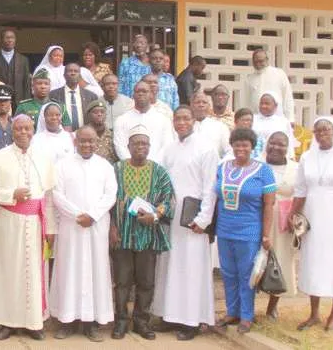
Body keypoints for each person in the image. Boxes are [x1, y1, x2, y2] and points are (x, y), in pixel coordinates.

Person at [0, 115, 56, 341]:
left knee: (34, 272)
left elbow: (49, 196)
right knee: (7, 272)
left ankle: (33, 322)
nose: (23, 132)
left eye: (27, 128)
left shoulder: (43, 157)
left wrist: (51, 228)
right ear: (12, 132)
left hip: (36, 222)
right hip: (8, 221)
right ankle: (7, 322)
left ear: (33, 130)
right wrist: (11, 194)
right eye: (19, 129)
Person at [152, 106, 218, 340]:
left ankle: (191, 321)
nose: (181, 122)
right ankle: (169, 316)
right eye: (177, 118)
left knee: (190, 269)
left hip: (193, 218)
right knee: (169, 266)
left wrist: (204, 219)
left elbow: (211, 187)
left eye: (185, 118)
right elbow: (156, 173)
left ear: (193, 121)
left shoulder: (206, 148)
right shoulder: (169, 148)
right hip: (170, 215)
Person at [290, 117, 333, 333]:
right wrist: (293, 215)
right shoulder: (307, 157)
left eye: (326, 130)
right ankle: (314, 314)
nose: (322, 134)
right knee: (313, 263)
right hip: (313, 217)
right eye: (318, 131)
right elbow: (300, 190)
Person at [50, 126, 117, 342]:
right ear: (75, 141)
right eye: (83, 141)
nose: (87, 145)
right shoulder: (62, 165)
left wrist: (93, 215)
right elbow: (57, 195)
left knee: (95, 271)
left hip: (96, 227)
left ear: (97, 142)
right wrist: (78, 214)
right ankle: (67, 320)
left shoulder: (105, 166)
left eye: (91, 141)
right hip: (71, 226)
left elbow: (111, 194)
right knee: (69, 270)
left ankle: (92, 323)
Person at [111, 125, 174, 340]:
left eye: (144, 143)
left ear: (150, 147)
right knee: (122, 281)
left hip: (148, 235)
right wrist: (112, 227)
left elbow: (168, 199)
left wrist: (155, 215)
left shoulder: (159, 171)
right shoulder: (116, 169)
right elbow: (107, 200)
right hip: (122, 235)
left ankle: (141, 322)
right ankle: (120, 321)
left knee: (146, 281)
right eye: (136, 143)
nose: (140, 147)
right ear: (128, 146)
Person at [214, 128, 276, 334]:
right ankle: (232, 311)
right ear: (231, 146)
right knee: (228, 273)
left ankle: (247, 315)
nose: (241, 148)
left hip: (249, 231)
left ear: (252, 147)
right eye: (237, 144)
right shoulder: (222, 168)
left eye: (245, 145)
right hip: (224, 229)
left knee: (247, 274)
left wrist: (266, 234)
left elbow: (269, 205)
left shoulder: (263, 170)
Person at [264, 131, 298, 321]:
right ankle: (247, 307)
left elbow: (301, 194)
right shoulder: (257, 165)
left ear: (288, 147)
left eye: (281, 144)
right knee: (256, 262)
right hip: (259, 219)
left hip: (284, 222)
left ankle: (272, 306)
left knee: (281, 261)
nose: (276, 147)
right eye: (272, 143)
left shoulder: (296, 168)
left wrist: (295, 216)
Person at [113, 81, 173, 162]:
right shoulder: (121, 120)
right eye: (138, 91)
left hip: (157, 168)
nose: (141, 94)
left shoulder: (163, 120)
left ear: (151, 94)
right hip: (130, 168)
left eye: (144, 91)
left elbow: (167, 145)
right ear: (133, 95)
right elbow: (120, 146)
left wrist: (152, 165)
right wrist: (133, 164)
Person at [242, 49, 295, 122]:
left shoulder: (279, 74)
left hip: (277, 119)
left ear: (267, 60)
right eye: (255, 62)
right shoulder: (249, 78)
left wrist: (290, 119)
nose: (258, 64)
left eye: (261, 61)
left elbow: (287, 98)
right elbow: (245, 102)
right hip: (256, 120)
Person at [50, 63, 98, 131]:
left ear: (80, 76)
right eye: (70, 71)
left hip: (84, 136)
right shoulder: (53, 95)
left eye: (76, 71)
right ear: (64, 76)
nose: (73, 73)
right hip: (62, 135)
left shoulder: (91, 96)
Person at [0, 29, 31, 104]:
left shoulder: (23, 60)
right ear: (1, 40)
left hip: (18, 101)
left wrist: (26, 102)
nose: (10, 40)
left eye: (12, 38)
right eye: (7, 37)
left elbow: (26, 83)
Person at [253, 91, 296, 159]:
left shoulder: (283, 122)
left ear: (275, 105)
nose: (263, 106)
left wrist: (291, 157)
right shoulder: (252, 119)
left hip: (276, 158)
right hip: (254, 158)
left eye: (267, 104)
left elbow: (289, 142)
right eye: (261, 103)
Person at [192, 91, 231, 158]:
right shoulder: (185, 127)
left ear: (209, 106)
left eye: (204, 102)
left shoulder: (220, 127)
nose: (201, 105)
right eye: (198, 102)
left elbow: (229, 151)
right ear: (191, 105)